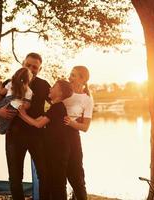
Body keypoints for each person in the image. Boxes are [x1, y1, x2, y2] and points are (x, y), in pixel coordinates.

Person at [0, 53, 51, 200]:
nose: (31, 68)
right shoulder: (10, 82)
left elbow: (57, 103)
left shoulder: (44, 85)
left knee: (45, 174)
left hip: (38, 136)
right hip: (14, 136)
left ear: (39, 69)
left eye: (35, 67)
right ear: (23, 63)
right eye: (28, 65)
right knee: (15, 177)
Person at [18, 80, 73, 200]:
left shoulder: (57, 108)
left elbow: (38, 124)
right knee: (54, 182)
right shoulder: (55, 108)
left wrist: (22, 113)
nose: (50, 89)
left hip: (58, 152)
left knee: (58, 184)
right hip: (55, 151)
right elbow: (40, 118)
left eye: (53, 87)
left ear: (60, 92)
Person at [63, 66, 94, 200]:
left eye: (73, 75)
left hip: (72, 137)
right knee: (58, 176)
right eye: (70, 74)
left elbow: (85, 127)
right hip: (54, 136)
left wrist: (72, 123)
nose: (69, 77)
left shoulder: (87, 99)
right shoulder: (63, 92)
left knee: (76, 175)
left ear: (83, 79)